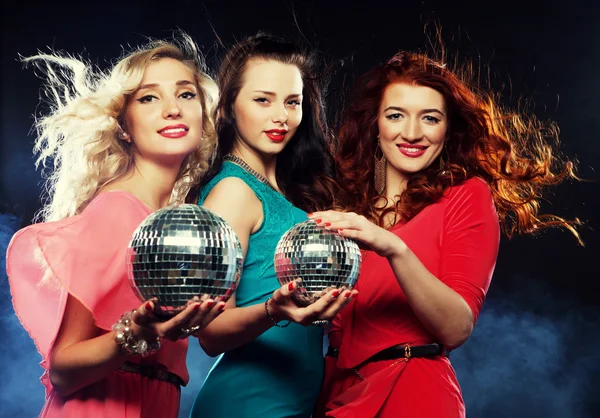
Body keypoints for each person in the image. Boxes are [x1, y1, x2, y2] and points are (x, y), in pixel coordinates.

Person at [311, 51, 581, 417]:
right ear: (375, 124)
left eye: (430, 118)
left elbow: (456, 328)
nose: (411, 133)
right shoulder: (347, 209)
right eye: (396, 115)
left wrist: (394, 248)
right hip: (336, 395)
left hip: (413, 392)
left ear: (447, 128)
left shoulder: (466, 196)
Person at [6, 34, 223, 418]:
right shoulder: (117, 211)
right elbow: (63, 370)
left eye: (186, 95)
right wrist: (140, 336)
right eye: (149, 98)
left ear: (204, 115)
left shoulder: (162, 221)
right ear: (124, 125)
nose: (172, 109)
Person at [187, 33, 357, 418]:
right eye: (262, 100)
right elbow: (210, 334)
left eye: (292, 102)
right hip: (249, 403)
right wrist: (272, 311)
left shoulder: (285, 192)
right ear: (229, 105)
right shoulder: (233, 191)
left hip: (293, 401)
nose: (281, 115)